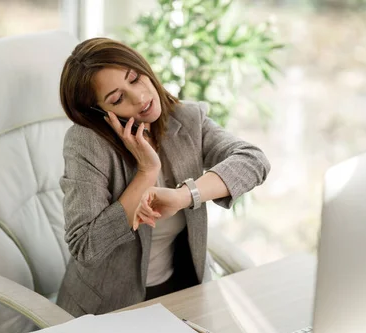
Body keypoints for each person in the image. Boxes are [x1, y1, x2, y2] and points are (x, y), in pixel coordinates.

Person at [56, 37, 270, 317]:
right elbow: (85, 246)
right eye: (118, 98)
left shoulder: (187, 119)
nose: (140, 97)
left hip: (182, 294)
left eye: (134, 78)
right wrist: (146, 173)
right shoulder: (87, 144)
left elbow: (254, 160)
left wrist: (184, 196)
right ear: (99, 113)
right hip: (107, 311)